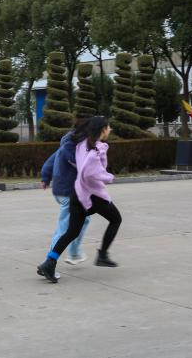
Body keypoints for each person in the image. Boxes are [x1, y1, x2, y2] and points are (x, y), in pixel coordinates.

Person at [37, 116, 122, 283]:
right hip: (92, 194)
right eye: (108, 127)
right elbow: (88, 172)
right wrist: (108, 177)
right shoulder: (96, 148)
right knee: (116, 219)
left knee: (72, 231)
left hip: (77, 193)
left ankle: (49, 262)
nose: (110, 129)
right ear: (102, 130)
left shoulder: (82, 144)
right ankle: (102, 255)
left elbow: (72, 162)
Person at [40, 120, 92, 268]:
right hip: (68, 192)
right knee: (64, 227)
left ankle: (74, 252)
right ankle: (49, 261)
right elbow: (81, 164)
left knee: (84, 219)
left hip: (65, 190)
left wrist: (45, 177)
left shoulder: (68, 143)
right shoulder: (72, 146)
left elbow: (51, 160)